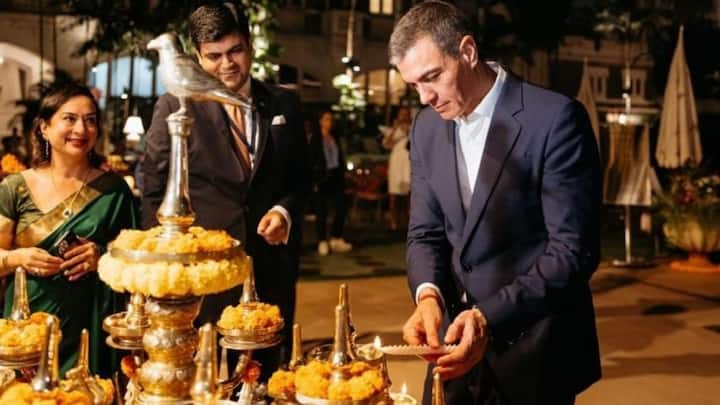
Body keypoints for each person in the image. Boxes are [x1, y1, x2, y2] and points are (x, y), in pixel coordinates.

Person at [390, 2, 602, 404]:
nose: (425, 97)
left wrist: (488, 317)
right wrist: (429, 295)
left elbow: (573, 251)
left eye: (432, 77)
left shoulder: (555, 119)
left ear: (467, 51)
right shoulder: (426, 128)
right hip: (453, 350)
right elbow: (425, 232)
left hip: (536, 351)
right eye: (414, 84)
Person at [142, 3, 308, 372]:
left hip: (268, 270)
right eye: (213, 56)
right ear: (198, 56)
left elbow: (302, 179)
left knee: (262, 378)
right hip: (203, 272)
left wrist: (284, 211)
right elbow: (152, 182)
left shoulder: (283, 103)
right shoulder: (176, 103)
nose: (226, 64)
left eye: (234, 51)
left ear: (249, 46)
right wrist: (165, 265)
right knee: (203, 378)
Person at [0, 82, 139, 376]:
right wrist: (17, 258)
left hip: (89, 329)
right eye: (69, 118)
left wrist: (102, 258)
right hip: (27, 333)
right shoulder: (15, 188)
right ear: (44, 128)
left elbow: (137, 269)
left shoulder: (113, 192)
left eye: (90, 120)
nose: (81, 129)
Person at [309, 111, 352, 256]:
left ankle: (336, 237)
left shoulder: (335, 138)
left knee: (341, 206)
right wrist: (313, 180)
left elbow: (340, 157)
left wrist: (344, 172)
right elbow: (311, 160)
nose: (329, 122)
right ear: (320, 121)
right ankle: (322, 240)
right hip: (321, 177)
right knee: (321, 210)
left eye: (331, 120)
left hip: (336, 176)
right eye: (326, 119)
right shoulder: (315, 139)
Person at [381, 106, 412, 230]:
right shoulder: (392, 129)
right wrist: (394, 128)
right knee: (394, 193)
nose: (403, 116)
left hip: (408, 161)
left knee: (408, 194)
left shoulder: (413, 128)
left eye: (406, 114)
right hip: (396, 161)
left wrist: (406, 129)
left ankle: (408, 221)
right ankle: (393, 221)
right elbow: (387, 144)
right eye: (401, 114)